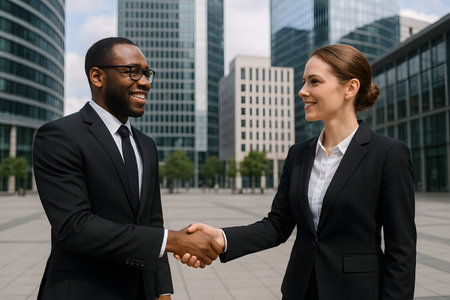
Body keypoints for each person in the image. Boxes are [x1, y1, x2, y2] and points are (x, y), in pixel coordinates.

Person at [179, 44, 417, 299]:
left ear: (350, 88)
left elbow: (401, 251)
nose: (302, 91)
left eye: (314, 81)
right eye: (304, 82)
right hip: (299, 291)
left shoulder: (388, 154)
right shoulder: (298, 154)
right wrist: (221, 237)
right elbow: (277, 226)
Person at [33, 37, 221, 300]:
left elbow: (153, 223)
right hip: (82, 291)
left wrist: (162, 291)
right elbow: (74, 227)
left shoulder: (147, 146)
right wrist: (172, 240)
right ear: (97, 77)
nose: (144, 82)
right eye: (132, 71)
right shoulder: (59, 135)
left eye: (146, 73)